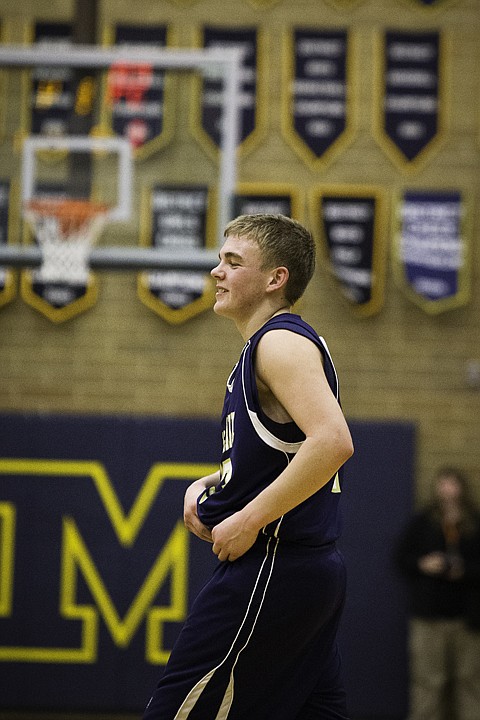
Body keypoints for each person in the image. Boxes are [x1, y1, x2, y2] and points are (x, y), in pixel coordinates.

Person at [143, 213, 354, 720]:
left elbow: (332, 443)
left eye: (233, 262)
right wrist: (216, 481)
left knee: (175, 710)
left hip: (274, 565)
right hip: (304, 571)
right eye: (220, 259)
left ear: (275, 279)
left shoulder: (279, 344)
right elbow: (287, 450)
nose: (216, 271)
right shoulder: (270, 347)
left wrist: (248, 517)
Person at [395, 467, 480, 720]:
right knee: (428, 683)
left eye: (452, 485)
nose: (447, 491)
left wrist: (464, 570)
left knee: (470, 682)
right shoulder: (422, 522)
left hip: (468, 619)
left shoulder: (475, 523)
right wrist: (423, 564)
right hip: (429, 617)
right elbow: (401, 558)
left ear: (462, 488)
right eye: (443, 484)